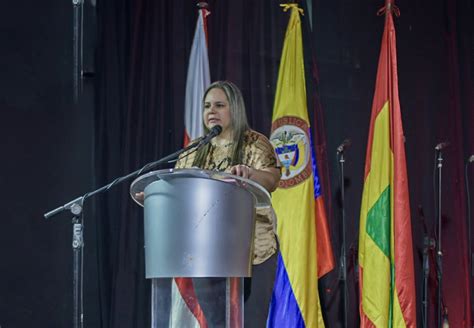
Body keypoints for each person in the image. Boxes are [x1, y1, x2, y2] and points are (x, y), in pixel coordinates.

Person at [174, 80, 280, 327]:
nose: (211, 111)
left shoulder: (255, 143)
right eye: (207, 106)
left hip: (254, 252)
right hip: (208, 252)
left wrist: (251, 174)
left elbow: (273, 179)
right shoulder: (194, 150)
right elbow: (178, 187)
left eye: (219, 105)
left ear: (235, 109)